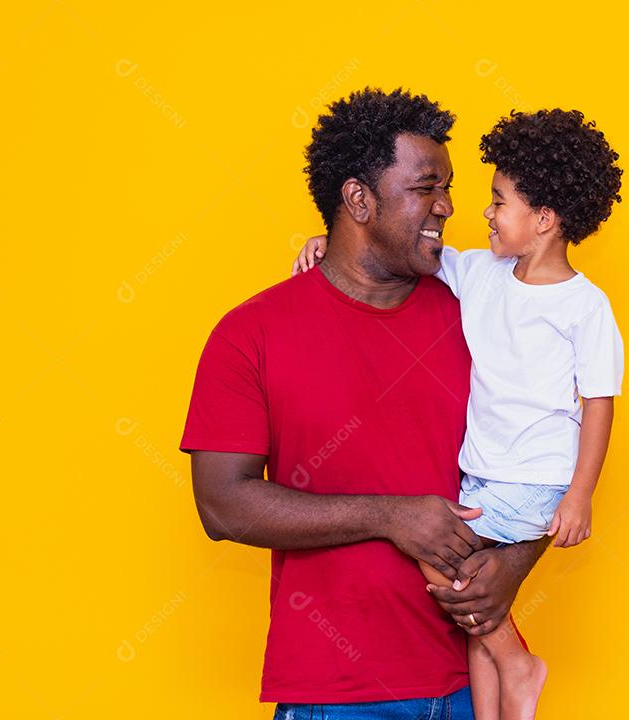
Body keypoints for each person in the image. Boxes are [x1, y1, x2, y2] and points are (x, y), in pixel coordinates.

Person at [179, 88, 550, 720]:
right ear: (358, 199)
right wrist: (391, 516)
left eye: (451, 187)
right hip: (334, 693)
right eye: (426, 187)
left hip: (471, 686)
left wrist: (515, 562)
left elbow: (547, 446)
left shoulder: (482, 316)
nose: (450, 206)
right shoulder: (251, 334)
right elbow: (222, 504)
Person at [293, 107, 625, 720]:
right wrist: (325, 240)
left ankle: (522, 664)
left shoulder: (584, 305)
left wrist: (579, 495)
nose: (482, 213)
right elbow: (386, 249)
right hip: (483, 474)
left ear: (545, 219)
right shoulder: (480, 272)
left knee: (437, 550)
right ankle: (499, 706)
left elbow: (600, 404)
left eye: (498, 202)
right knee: (472, 622)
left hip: (534, 477)